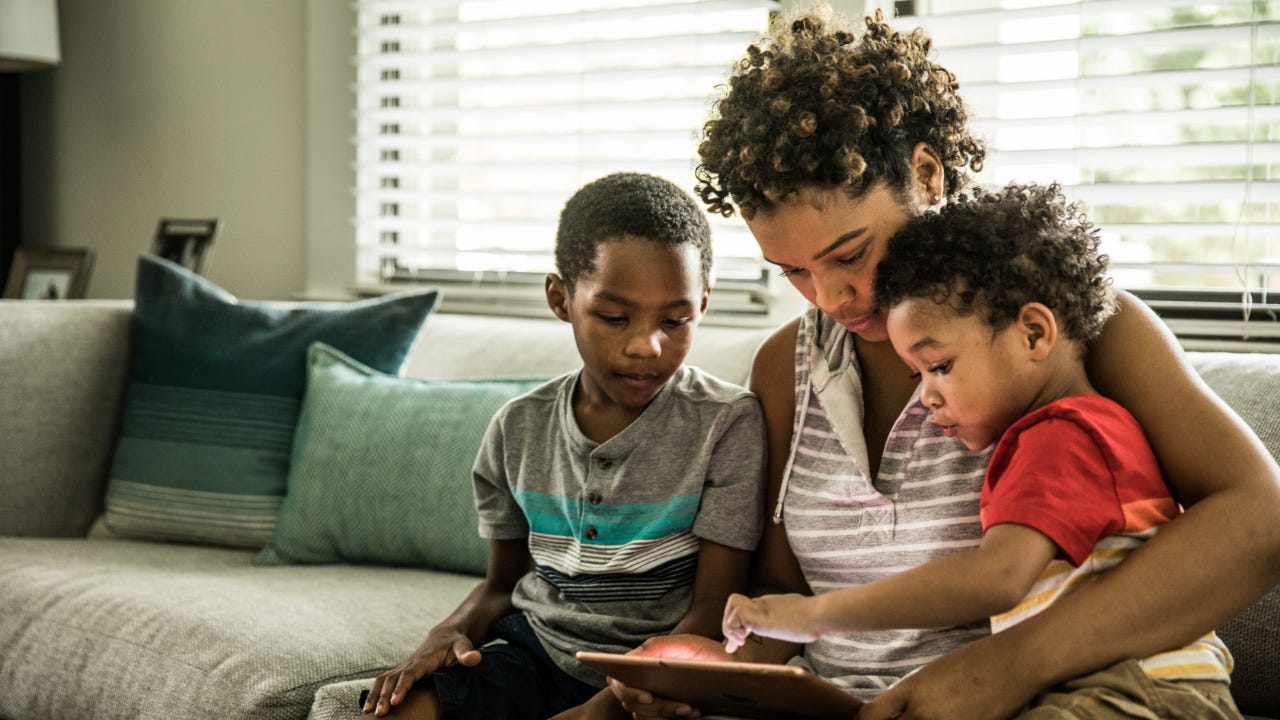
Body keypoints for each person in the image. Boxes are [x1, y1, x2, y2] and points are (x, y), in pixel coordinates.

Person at [610, 6, 1280, 720]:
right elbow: (789, 602)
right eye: (794, 272)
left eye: (850, 254)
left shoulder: (1063, 326)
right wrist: (712, 672)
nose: (832, 297)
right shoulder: (787, 366)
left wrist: (1011, 666)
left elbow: (1259, 521)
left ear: (926, 175)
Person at [720, 181, 1241, 718]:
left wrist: (815, 615)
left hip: (1138, 687)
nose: (828, 297)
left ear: (1036, 334)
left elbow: (995, 577)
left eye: (939, 367)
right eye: (792, 270)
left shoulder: (1064, 435)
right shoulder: (1045, 431)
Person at [359, 172, 767, 720]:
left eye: (675, 319)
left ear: (704, 304)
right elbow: (503, 585)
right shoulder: (518, 428)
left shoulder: (726, 424)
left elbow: (713, 606)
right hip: (532, 656)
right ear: (560, 298)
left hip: (656, 674)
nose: (646, 345)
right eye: (614, 317)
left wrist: (601, 709)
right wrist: (448, 632)